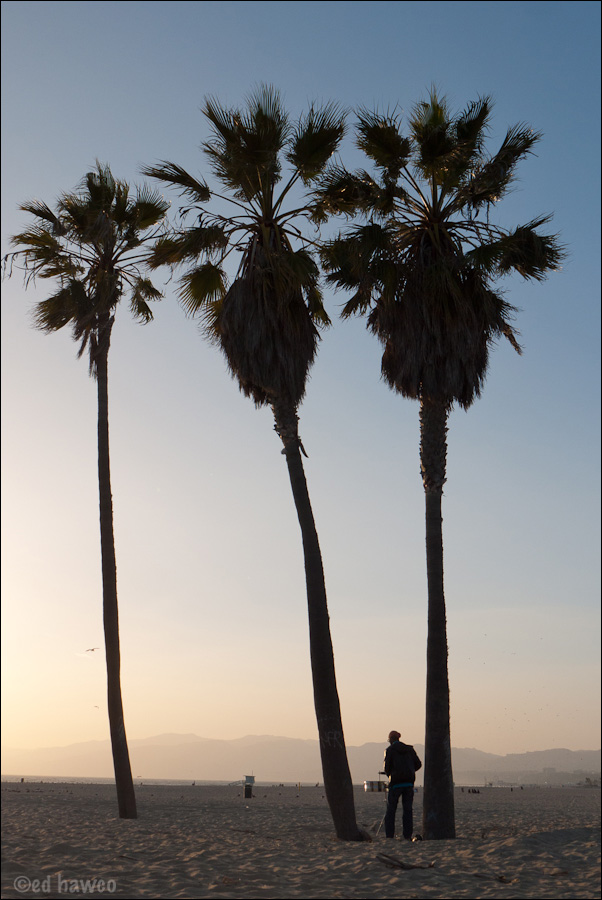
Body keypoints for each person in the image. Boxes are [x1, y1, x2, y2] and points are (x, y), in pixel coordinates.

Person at [382, 730, 422, 840]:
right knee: (407, 810)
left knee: (391, 810)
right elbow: (418, 764)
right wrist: (410, 771)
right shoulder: (409, 749)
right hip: (409, 783)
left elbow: (386, 768)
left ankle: (390, 835)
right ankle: (407, 835)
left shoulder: (389, 750)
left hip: (395, 784)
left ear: (391, 740)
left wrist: (391, 774)